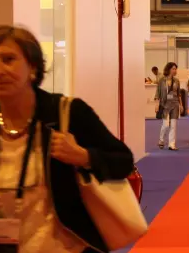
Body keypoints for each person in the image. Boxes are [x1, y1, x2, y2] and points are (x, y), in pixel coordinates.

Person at [0, 26, 135, 253]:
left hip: (66, 246)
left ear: (32, 67)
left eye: (8, 59)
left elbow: (124, 161)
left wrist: (83, 157)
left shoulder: (66, 113)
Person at [155, 62, 184, 151]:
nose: (175, 70)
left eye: (175, 69)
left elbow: (179, 94)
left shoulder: (177, 81)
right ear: (168, 69)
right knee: (166, 125)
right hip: (165, 105)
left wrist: (181, 105)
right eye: (173, 69)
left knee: (173, 125)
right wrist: (157, 105)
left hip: (175, 104)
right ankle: (161, 140)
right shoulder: (162, 80)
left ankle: (172, 144)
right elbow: (157, 93)